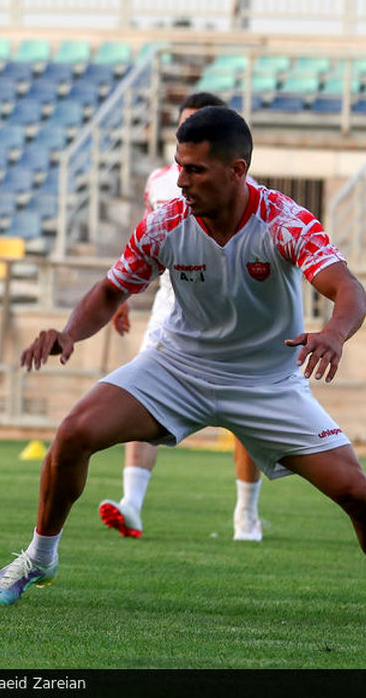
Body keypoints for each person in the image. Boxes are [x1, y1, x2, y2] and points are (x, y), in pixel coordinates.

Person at [0, 107, 366, 630]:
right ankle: (39, 558)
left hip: (267, 383)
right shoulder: (166, 222)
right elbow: (111, 289)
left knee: (356, 492)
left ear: (237, 170)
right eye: (179, 166)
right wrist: (69, 332)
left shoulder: (284, 221)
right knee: (74, 432)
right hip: (178, 368)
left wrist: (332, 333)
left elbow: (348, 288)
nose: (182, 181)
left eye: (195, 169)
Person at [101, 93, 266, 542]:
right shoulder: (159, 182)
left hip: (230, 306)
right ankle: (131, 503)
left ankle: (246, 512)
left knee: (247, 412)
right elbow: (147, 241)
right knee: (142, 392)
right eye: (185, 127)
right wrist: (120, 293)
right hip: (172, 304)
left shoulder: (242, 185)